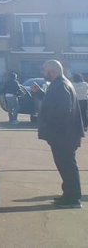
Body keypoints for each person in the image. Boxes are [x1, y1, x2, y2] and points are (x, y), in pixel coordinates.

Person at [37, 60, 85, 209]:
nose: (43, 73)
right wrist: (39, 93)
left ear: (53, 71)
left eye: (44, 70)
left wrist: (50, 124)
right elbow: (55, 103)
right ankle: (69, 195)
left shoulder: (61, 85)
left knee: (67, 166)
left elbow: (63, 110)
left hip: (63, 135)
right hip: (64, 134)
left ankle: (73, 199)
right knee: (65, 166)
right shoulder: (60, 84)